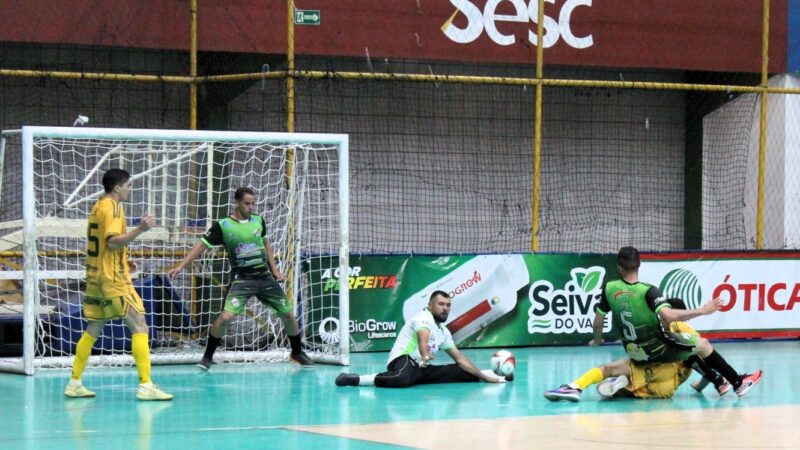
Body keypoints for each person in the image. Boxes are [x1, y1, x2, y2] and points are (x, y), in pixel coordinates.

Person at [544, 246, 762, 402]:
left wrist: (598, 340)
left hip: (635, 352)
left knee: (608, 368)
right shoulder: (649, 291)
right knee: (702, 345)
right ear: (639, 265)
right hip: (659, 350)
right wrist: (702, 310)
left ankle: (573, 387)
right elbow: (668, 316)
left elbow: (598, 321)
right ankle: (737, 382)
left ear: (619, 268)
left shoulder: (609, 289)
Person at [167, 187, 313, 369]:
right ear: (237, 202)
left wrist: (274, 269)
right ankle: (207, 356)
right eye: (247, 203)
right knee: (226, 317)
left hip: (264, 277)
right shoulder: (223, 225)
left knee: (288, 314)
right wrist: (180, 266)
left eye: (253, 204)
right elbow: (201, 246)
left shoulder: (258, 221)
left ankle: (297, 352)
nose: (251, 207)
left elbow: (266, 244)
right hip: (241, 279)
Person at [64, 168, 173, 400]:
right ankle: (146, 386)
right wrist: (140, 229)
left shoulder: (97, 207)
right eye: (128, 185)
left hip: (96, 277)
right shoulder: (114, 208)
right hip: (113, 280)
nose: (130, 189)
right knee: (140, 325)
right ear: (117, 187)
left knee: (93, 329)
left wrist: (123, 259)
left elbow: (105, 246)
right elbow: (112, 242)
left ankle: (74, 382)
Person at [335, 290, 507, 388]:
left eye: (448, 305)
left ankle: (496, 374)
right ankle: (357, 379)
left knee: (462, 371)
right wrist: (424, 354)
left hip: (421, 368)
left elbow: (460, 358)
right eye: (441, 304)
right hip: (402, 360)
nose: (445, 308)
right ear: (430, 306)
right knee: (402, 378)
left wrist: (485, 377)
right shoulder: (423, 317)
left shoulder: (444, 332)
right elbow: (422, 337)